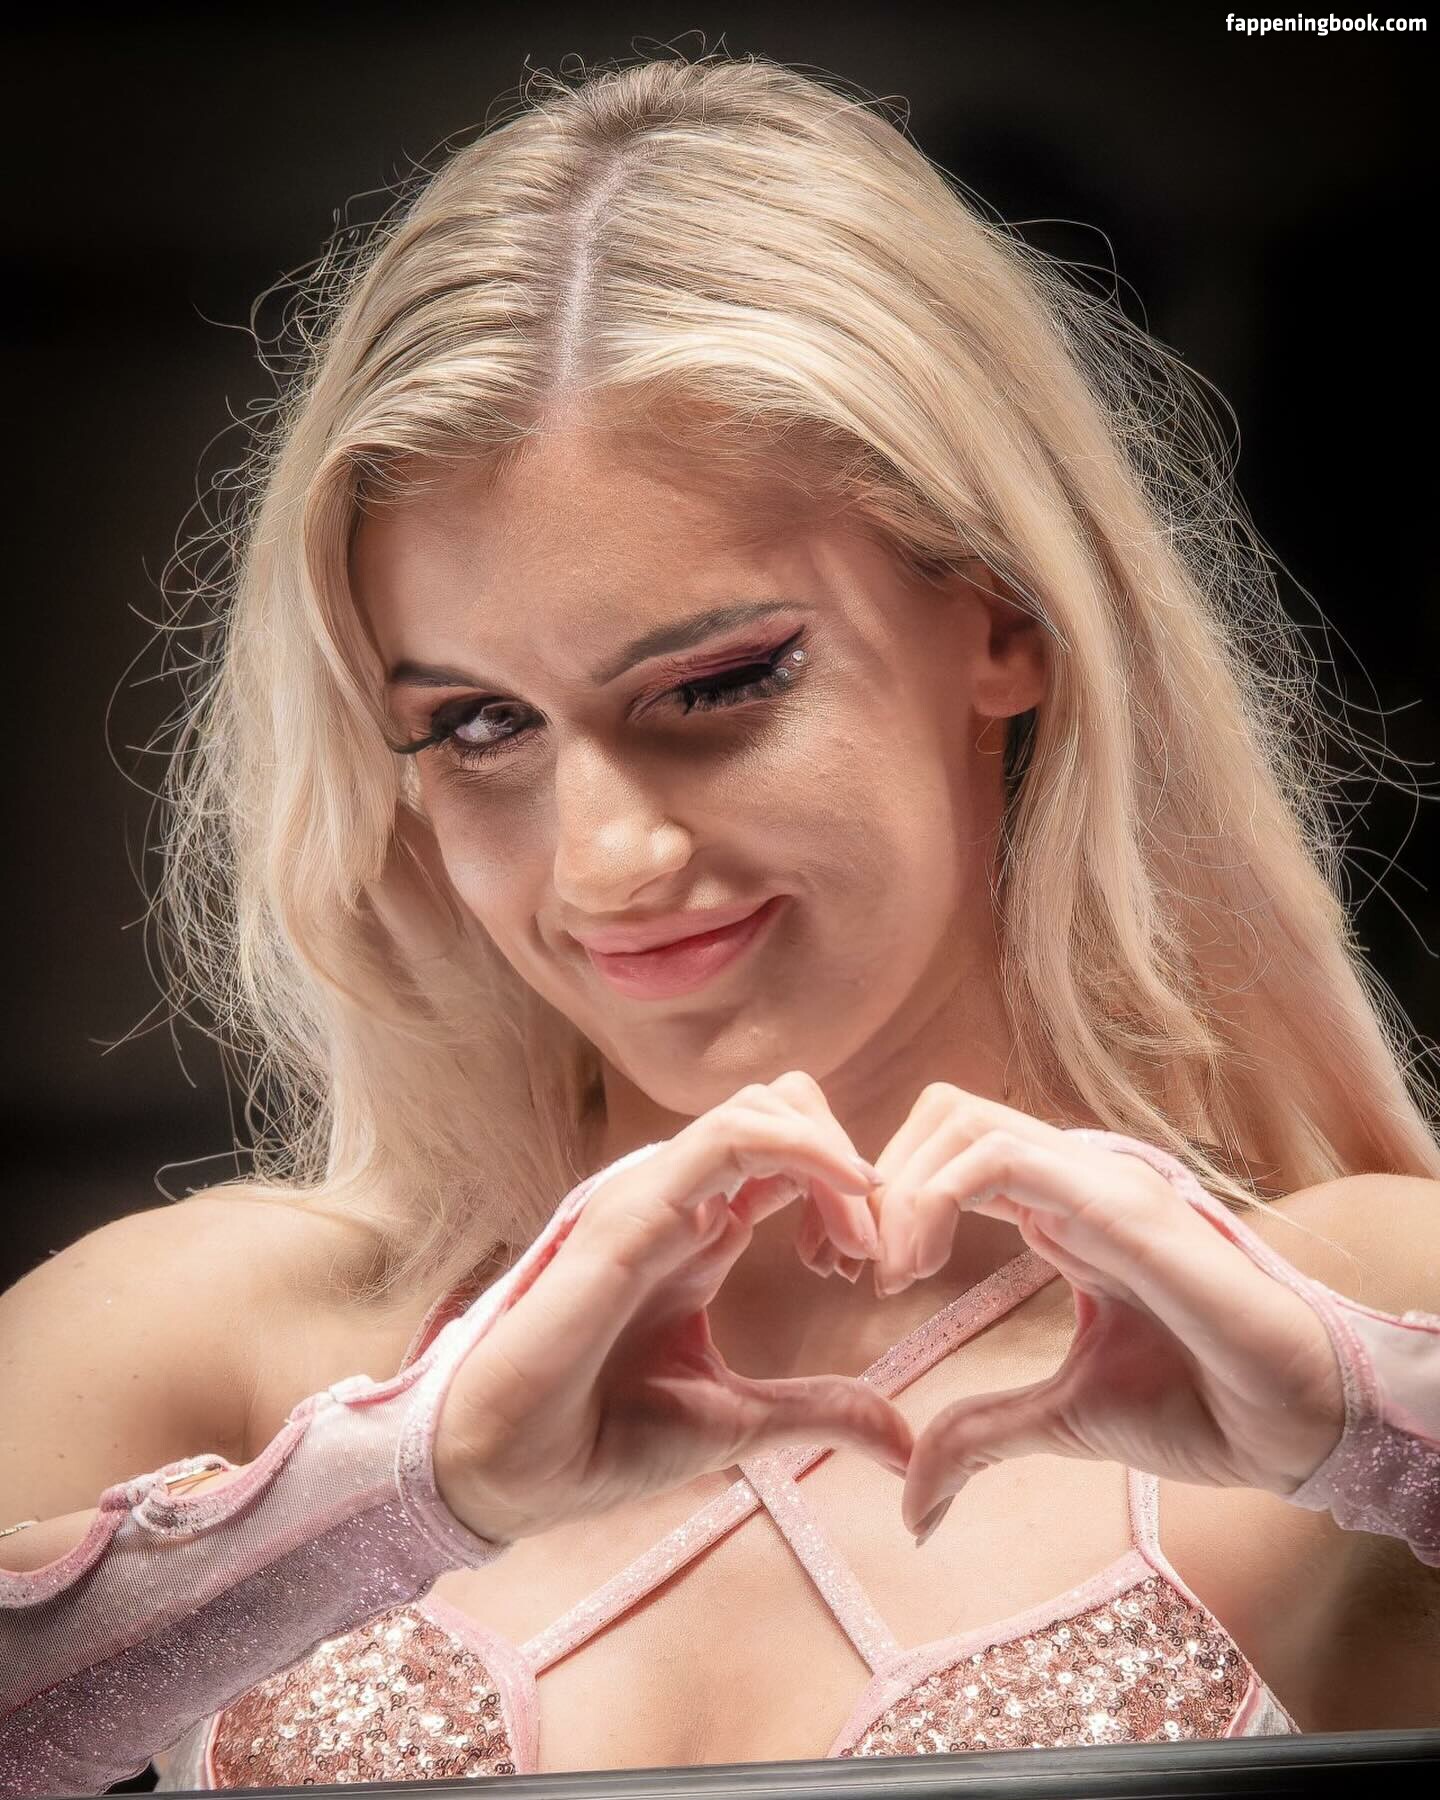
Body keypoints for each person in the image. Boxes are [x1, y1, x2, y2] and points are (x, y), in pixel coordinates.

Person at [3, 50, 1438, 1798]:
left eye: (717, 684)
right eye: (478, 724)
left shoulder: (1348, 1307)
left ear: (1003, 616)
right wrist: (393, 1495)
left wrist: (1377, 1430)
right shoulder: (200, 1353)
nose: (605, 861)